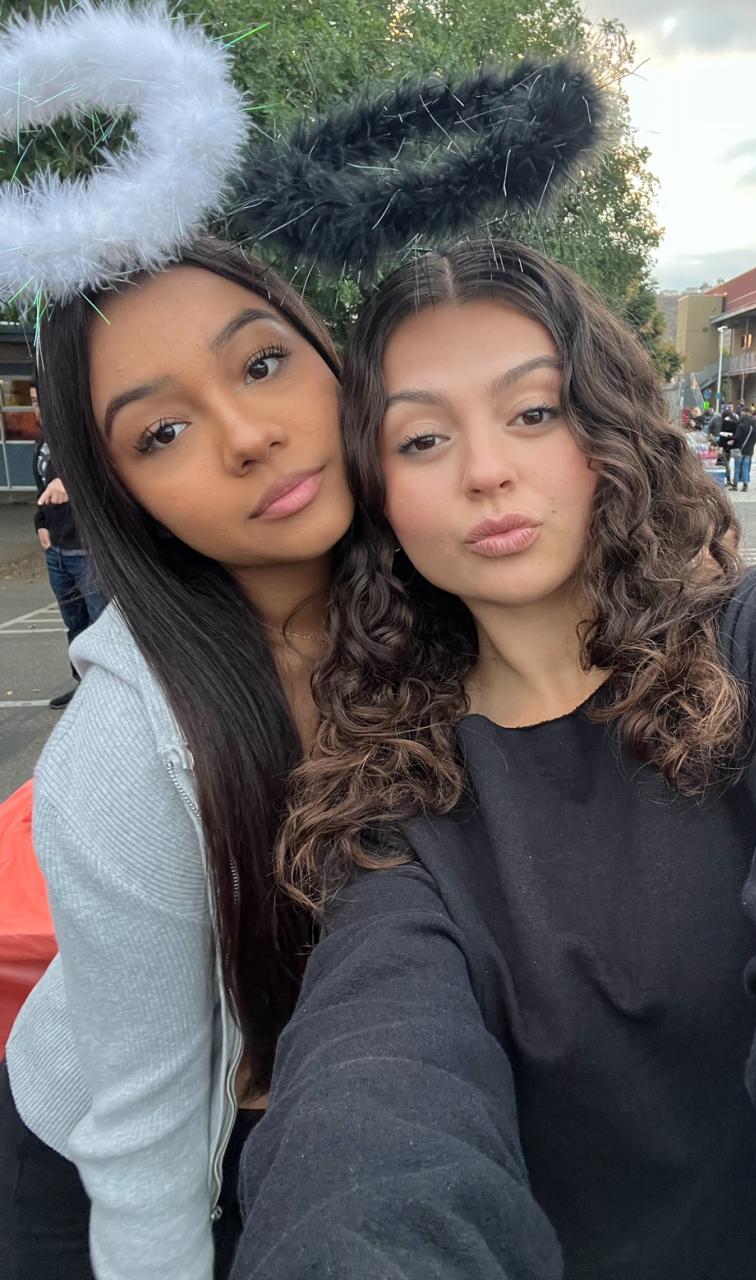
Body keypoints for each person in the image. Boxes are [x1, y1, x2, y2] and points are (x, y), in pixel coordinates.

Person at [233, 240, 756, 1280]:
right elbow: (369, 1087)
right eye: (423, 438)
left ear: (610, 426)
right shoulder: (390, 783)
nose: (486, 470)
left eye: (533, 412)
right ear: (377, 492)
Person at [0, 237, 354, 1280]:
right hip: (133, 1173)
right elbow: (142, 1132)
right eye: (162, 431)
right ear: (122, 493)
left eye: (261, 362)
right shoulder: (128, 749)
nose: (247, 436)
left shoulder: (435, 610)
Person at [31, 390, 107, 709]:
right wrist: (41, 524)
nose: (38, 407)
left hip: (87, 551)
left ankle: (109, 694)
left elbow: (110, 478)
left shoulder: (85, 436)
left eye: (42, 399)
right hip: (57, 552)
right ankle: (84, 687)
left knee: (102, 627)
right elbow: (41, 489)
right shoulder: (43, 440)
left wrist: (71, 482)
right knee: (75, 625)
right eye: (33, 401)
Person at [733, 405, 756, 490]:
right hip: (749, 449)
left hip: (740, 449)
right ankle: (745, 485)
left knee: (737, 467)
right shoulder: (755, 425)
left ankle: (735, 485)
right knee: (745, 467)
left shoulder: (741, 425)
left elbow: (737, 437)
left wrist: (732, 440)